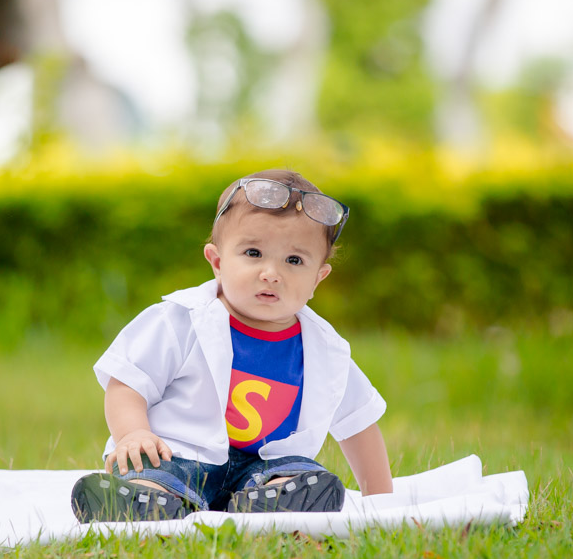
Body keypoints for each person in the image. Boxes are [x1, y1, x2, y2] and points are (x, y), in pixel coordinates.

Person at [71, 169, 393, 522]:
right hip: (180, 454)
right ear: (218, 262)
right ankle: (145, 500)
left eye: (294, 260)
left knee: (300, 473)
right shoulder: (180, 319)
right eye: (253, 253)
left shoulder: (326, 350)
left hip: (261, 470)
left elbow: (358, 424)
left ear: (319, 278)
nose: (271, 273)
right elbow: (127, 382)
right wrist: (133, 434)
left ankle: (274, 501)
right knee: (155, 472)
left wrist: (381, 504)